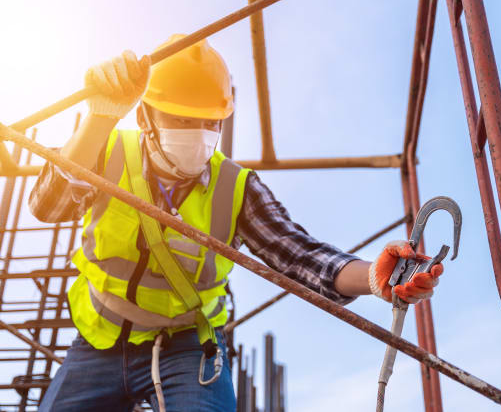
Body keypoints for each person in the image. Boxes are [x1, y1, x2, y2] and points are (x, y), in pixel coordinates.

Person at [29, 34, 443, 412]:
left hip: (188, 347)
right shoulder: (107, 151)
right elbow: (47, 206)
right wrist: (98, 119)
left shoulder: (236, 188)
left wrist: (373, 276)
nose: (200, 134)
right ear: (146, 118)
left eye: (210, 122)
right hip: (100, 338)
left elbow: (300, 255)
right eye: (182, 120)